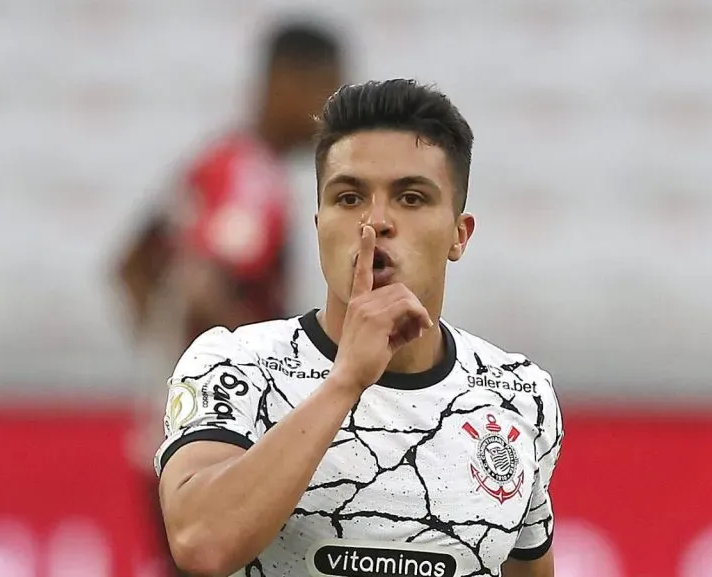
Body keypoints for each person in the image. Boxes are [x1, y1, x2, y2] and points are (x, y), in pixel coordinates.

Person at [154, 79, 564, 577]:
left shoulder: (517, 394)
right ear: (319, 225)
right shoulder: (237, 364)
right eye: (349, 198)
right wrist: (345, 381)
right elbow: (200, 543)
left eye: (411, 198)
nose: (376, 221)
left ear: (459, 235)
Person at [111, 21, 344, 576]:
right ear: (284, 83)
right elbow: (204, 283)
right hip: (220, 437)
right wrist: (275, 384)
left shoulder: (220, 160)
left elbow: (131, 264)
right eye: (326, 92)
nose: (330, 115)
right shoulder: (249, 178)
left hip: (182, 428)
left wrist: (164, 379)